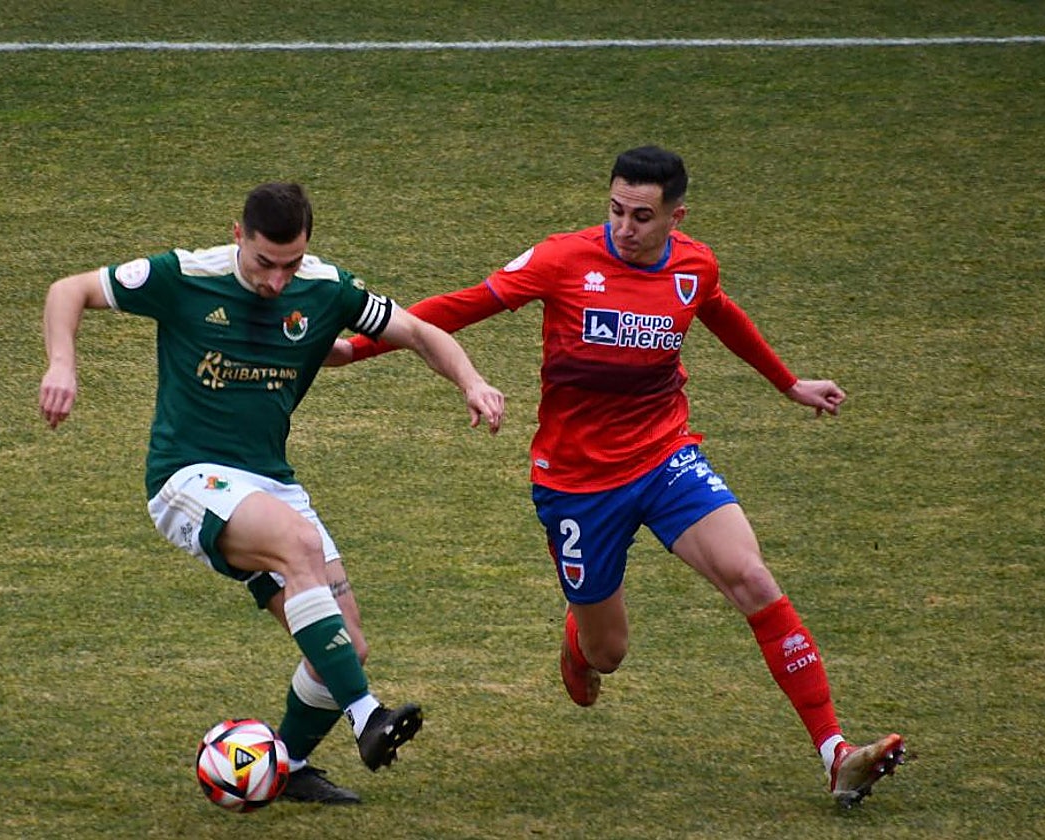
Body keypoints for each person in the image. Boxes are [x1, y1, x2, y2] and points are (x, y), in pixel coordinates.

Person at [330, 146, 905, 807]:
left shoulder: (694, 265)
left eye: (641, 215)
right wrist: (354, 350)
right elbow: (458, 307)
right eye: (615, 210)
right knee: (608, 652)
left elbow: (718, 311)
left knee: (752, 578)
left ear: (675, 217)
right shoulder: (562, 259)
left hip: (665, 458)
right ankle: (579, 644)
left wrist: (788, 383)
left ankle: (836, 753)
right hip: (576, 483)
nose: (624, 227)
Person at [40, 182, 505, 805]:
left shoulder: (326, 288)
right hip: (187, 476)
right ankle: (366, 716)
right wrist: (62, 364)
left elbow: (420, 333)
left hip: (269, 481)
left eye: (291, 265)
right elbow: (68, 290)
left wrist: (471, 381)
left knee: (346, 644)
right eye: (265, 263)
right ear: (239, 235)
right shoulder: (184, 275)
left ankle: (283, 765)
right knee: (298, 543)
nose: (278, 281)